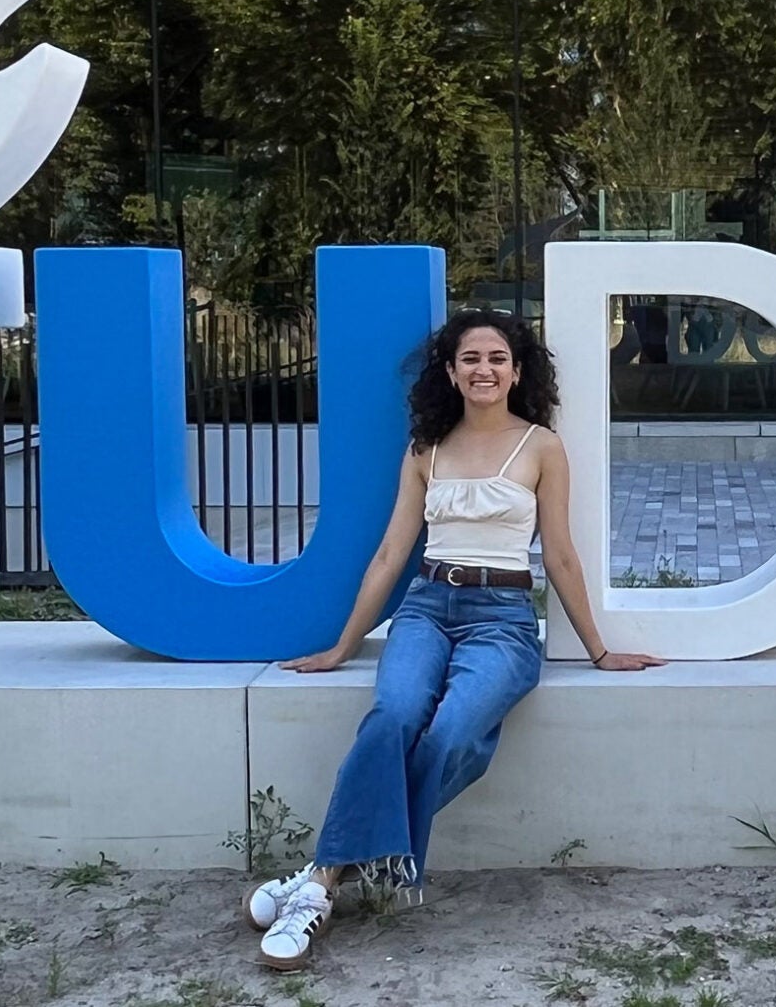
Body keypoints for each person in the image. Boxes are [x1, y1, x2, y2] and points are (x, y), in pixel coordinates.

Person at [245, 308, 664, 971]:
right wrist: (343, 645)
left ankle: (321, 877)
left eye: (497, 357)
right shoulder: (425, 448)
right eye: (471, 358)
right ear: (450, 370)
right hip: (426, 607)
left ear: (517, 370)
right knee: (392, 716)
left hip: (502, 617)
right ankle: (329, 879)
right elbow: (390, 554)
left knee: (450, 734)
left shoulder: (542, 447)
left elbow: (558, 556)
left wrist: (599, 649)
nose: (484, 369)